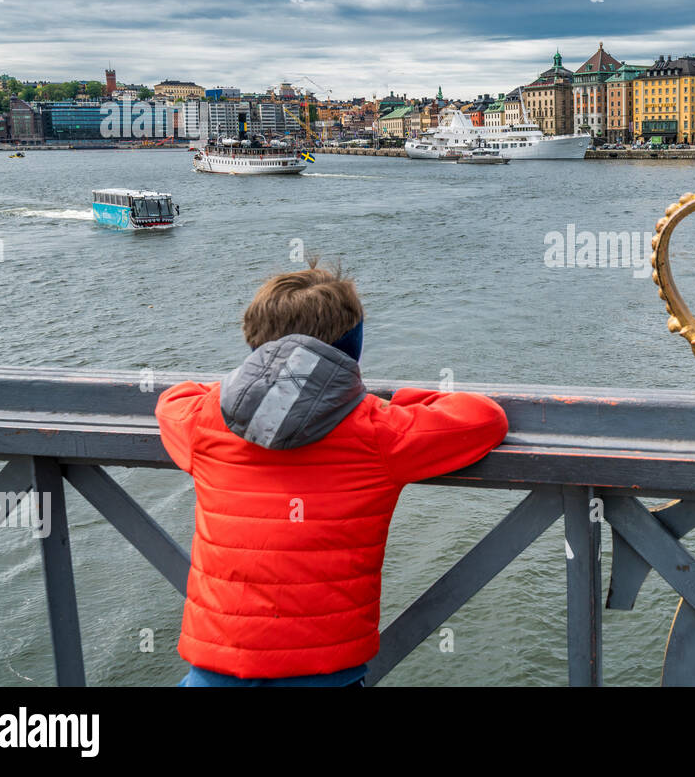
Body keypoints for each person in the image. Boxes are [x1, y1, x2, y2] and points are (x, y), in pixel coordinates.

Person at [156, 262, 509, 687]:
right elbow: (484, 419)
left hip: (214, 673)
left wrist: (237, 389)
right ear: (351, 347)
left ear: (255, 343)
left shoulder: (204, 419)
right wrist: (398, 399)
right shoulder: (378, 430)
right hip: (323, 676)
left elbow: (172, 400)